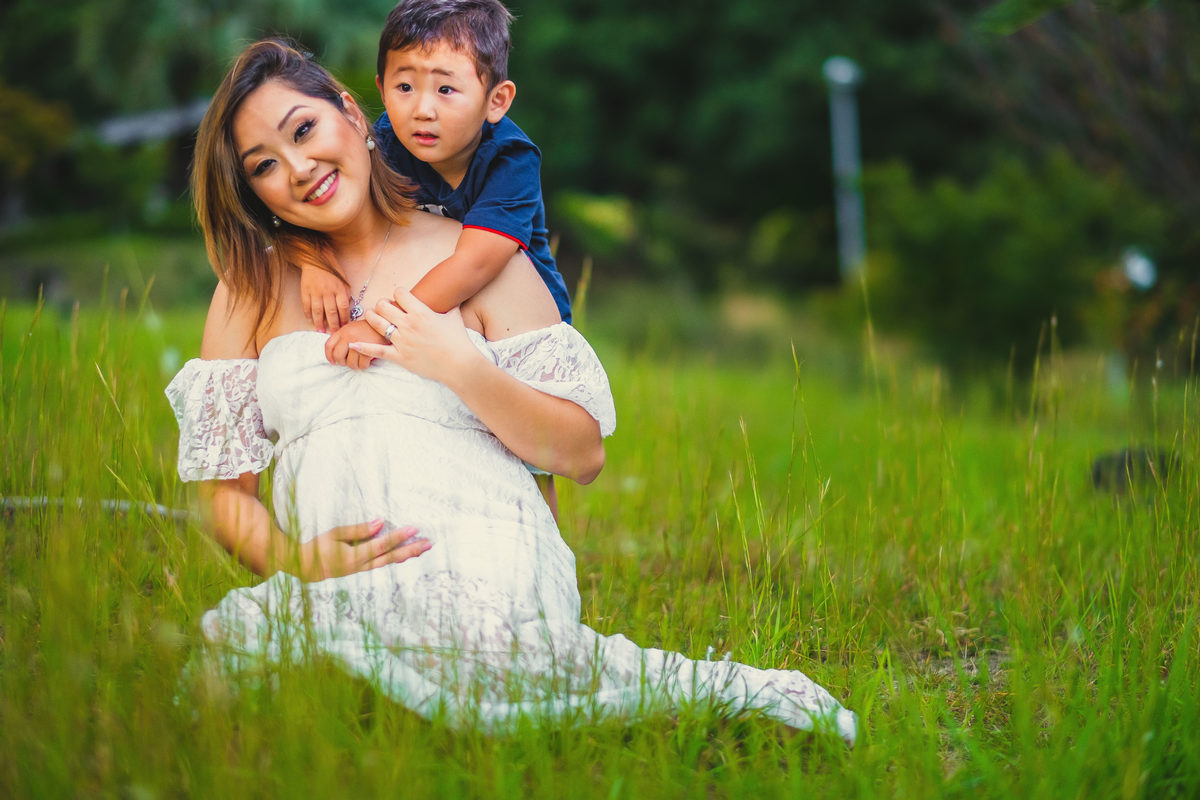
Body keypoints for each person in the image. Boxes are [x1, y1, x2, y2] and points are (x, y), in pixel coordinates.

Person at [168, 38, 856, 745]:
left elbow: (580, 452)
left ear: (349, 110)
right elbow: (226, 495)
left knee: (470, 653)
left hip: (479, 540)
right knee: (240, 679)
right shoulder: (248, 291)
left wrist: (460, 365)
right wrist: (293, 560)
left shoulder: (479, 256)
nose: (298, 169)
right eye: (264, 167)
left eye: (303, 130)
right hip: (334, 567)